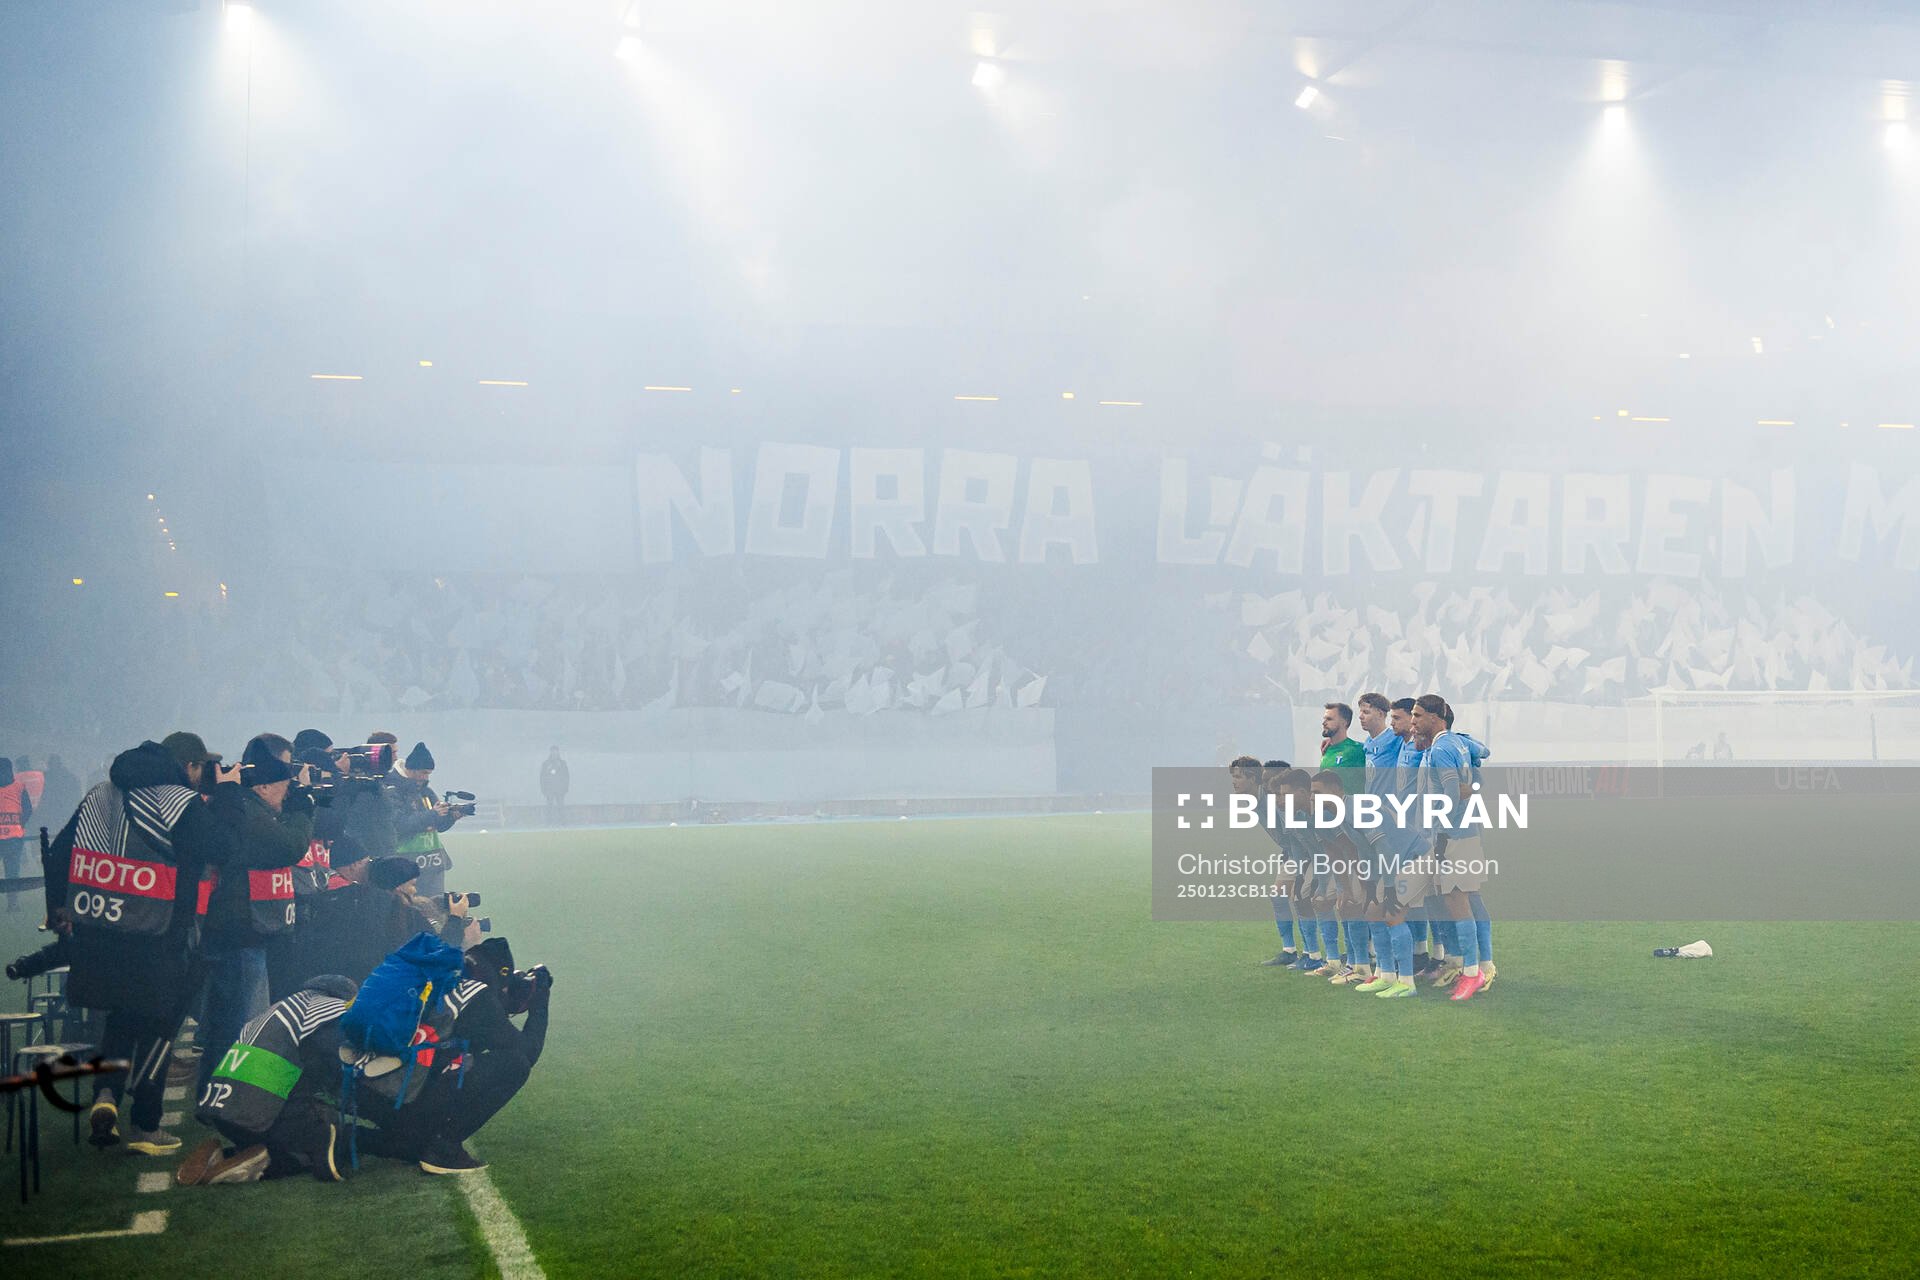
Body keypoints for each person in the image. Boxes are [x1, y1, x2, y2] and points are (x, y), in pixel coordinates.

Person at [41, 733, 291, 1155]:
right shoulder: (176, 801)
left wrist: (56, 907)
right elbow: (223, 847)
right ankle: (145, 1125)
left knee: (120, 1018)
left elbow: (59, 853)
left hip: (99, 934)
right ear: (190, 767)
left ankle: (105, 1095)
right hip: (159, 934)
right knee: (160, 1027)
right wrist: (228, 791)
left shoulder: (100, 795)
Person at [360, 937, 551, 1175]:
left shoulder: (445, 979)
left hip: (369, 1090)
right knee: (515, 1065)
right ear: (500, 975)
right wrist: (540, 1004)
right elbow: (527, 1053)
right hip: (401, 1098)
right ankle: (445, 1148)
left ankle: (333, 1132)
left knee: (410, 1144)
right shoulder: (476, 995)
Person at [193, 737, 311, 1099]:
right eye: (284, 788)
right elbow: (290, 846)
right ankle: (232, 1097)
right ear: (263, 786)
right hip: (241, 931)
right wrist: (304, 804)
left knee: (226, 1020)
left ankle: (213, 1092)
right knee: (244, 1022)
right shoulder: (249, 812)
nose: (285, 795)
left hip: (238, 928)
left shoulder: (241, 807)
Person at [179, 975, 358, 1185]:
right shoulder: (327, 1009)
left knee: (276, 1138)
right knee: (307, 1152)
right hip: (263, 1117)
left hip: (224, 1115)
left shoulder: (277, 1010)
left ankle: (231, 1156)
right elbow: (340, 1062)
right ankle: (235, 1167)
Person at [387, 742, 462, 899]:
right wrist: (433, 814)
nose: (426, 778)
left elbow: (438, 826)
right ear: (411, 769)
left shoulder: (426, 791)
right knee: (409, 906)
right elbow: (400, 825)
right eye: (424, 773)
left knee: (436, 909)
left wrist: (452, 817)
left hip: (433, 863)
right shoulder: (392, 790)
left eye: (429, 774)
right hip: (407, 863)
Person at [0, 755, 33, 913]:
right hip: (14, 837)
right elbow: (28, 810)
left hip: (10, 837)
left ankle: (12, 904)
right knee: (12, 873)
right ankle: (13, 904)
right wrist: (20, 824)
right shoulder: (19, 787)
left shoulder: (19, 787)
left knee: (12, 872)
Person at [1320, 702, 1364, 770]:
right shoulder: (1326, 749)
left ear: (1344, 722)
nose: (1324, 723)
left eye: (1329, 719)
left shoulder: (1358, 749)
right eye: (1324, 719)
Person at [540, 746, 570, 826]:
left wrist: (565, 788)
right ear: (550, 752)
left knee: (561, 806)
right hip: (549, 789)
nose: (554, 754)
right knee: (549, 806)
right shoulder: (546, 764)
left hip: (560, 789)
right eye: (553, 752)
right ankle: (548, 823)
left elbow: (566, 776)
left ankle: (563, 822)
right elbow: (542, 777)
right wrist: (543, 789)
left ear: (558, 753)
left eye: (556, 752)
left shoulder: (562, 763)